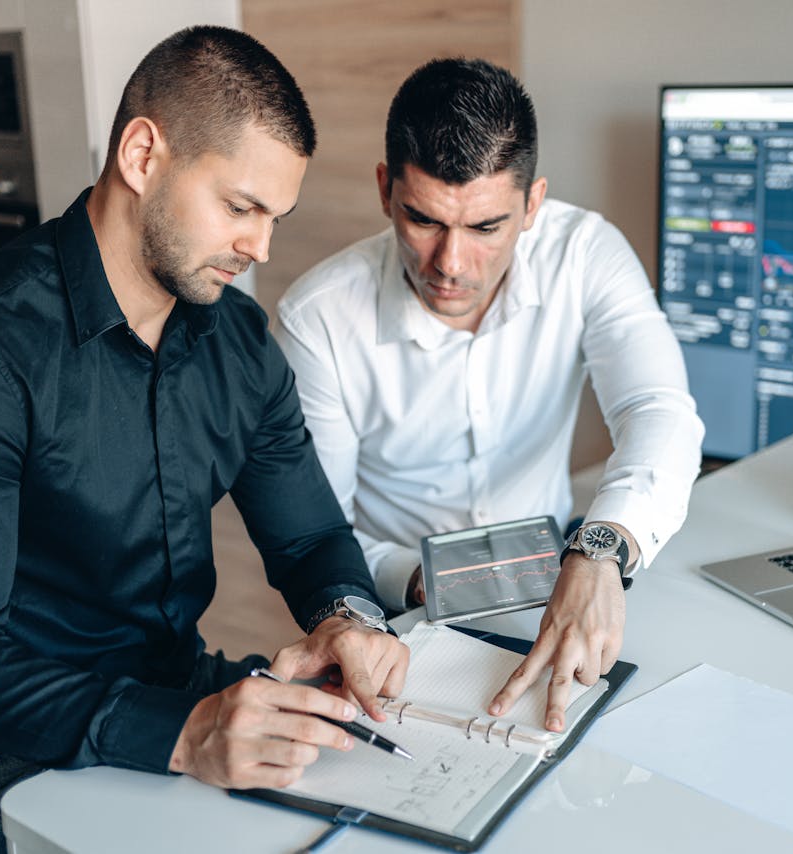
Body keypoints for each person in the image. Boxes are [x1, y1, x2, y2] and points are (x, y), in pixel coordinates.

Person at [0, 27, 408, 853]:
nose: (260, 248)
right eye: (240, 207)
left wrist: (344, 618)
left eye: (275, 217)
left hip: (172, 689)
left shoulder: (236, 342)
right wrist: (188, 732)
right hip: (3, 753)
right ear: (142, 153)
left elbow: (309, 535)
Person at [274, 58, 703, 734]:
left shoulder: (586, 253)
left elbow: (661, 412)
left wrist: (600, 548)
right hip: (398, 620)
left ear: (532, 205)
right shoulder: (317, 318)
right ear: (386, 190)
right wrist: (424, 582)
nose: (450, 263)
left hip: (567, 586)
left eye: (485, 228)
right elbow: (319, 528)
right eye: (423, 220)